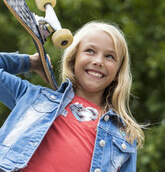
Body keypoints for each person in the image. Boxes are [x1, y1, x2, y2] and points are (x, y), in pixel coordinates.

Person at [0, 21, 144, 172]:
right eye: (90, 51)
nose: (98, 61)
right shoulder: (34, 98)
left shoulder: (124, 135)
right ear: (73, 59)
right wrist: (29, 63)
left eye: (109, 56)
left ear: (117, 73)